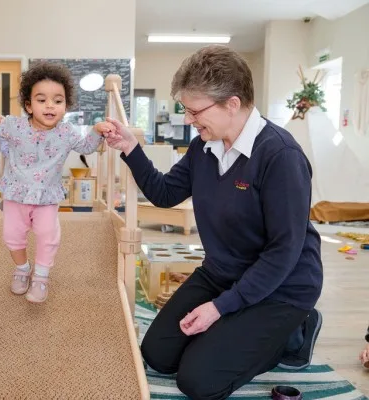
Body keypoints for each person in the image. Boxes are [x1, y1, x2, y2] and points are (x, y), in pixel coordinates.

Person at [102, 45, 324, 399]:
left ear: (232, 104)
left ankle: (294, 335)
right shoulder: (203, 148)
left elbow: (283, 253)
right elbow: (164, 193)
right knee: (158, 354)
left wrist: (220, 308)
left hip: (281, 287)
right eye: (186, 110)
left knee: (198, 381)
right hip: (222, 272)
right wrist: (131, 148)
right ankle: (234, 331)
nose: (189, 120)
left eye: (195, 111)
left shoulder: (281, 156)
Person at [0, 61, 112, 303]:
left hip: (46, 196)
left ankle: (41, 277)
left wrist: (97, 130)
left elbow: (86, 147)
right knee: (12, 236)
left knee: (48, 235)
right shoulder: (14, 126)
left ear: (65, 106)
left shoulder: (67, 133)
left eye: (57, 101)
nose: (50, 105)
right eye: (41, 100)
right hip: (15, 194)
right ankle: (22, 269)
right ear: (29, 105)